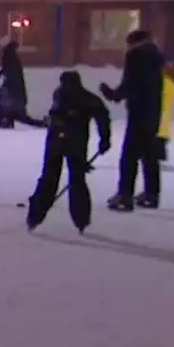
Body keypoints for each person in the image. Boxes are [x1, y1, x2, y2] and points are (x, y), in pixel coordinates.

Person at [25, 71, 112, 232]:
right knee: (74, 179)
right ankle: (80, 219)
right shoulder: (86, 98)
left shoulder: (63, 94)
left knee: (52, 178)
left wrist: (105, 138)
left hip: (59, 141)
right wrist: (104, 139)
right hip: (71, 142)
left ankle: (36, 215)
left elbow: (102, 116)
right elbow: (103, 116)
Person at [99, 29, 165, 211]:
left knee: (129, 156)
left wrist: (113, 95)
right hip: (153, 112)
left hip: (138, 112)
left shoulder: (136, 56)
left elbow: (131, 82)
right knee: (149, 154)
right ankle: (152, 194)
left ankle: (125, 196)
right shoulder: (156, 58)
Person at [0, 36, 28, 129]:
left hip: (11, 83)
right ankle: (6, 120)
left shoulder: (8, 54)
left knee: (4, 99)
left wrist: (4, 73)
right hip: (14, 83)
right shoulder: (11, 54)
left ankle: (5, 120)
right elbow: (11, 67)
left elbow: (10, 67)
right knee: (5, 98)